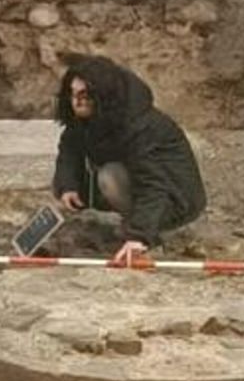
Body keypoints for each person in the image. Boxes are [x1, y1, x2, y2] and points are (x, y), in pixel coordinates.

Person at [51, 55, 207, 265]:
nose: (76, 102)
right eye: (72, 94)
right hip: (145, 183)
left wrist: (139, 236)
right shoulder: (92, 116)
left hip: (176, 198)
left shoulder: (138, 127)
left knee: (109, 177)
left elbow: (153, 183)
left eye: (84, 95)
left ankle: (151, 231)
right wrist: (67, 185)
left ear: (103, 96)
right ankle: (136, 221)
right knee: (95, 178)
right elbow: (70, 148)